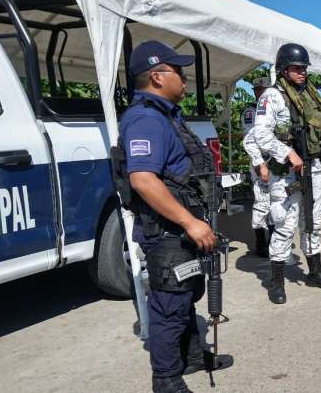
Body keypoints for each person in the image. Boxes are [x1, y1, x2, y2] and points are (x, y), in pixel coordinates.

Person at [118, 41, 231, 392]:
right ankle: (166, 379)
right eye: (178, 72)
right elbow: (143, 179)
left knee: (186, 296)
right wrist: (189, 222)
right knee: (170, 304)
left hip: (181, 228)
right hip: (167, 231)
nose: (184, 79)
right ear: (156, 76)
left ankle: (194, 357)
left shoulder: (166, 115)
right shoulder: (145, 119)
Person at [248, 43, 321, 304]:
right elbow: (261, 134)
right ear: (284, 69)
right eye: (297, 68)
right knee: (285, 225)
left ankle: (315, 272)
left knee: (313, 222)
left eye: (304, 68)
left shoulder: (310, 94)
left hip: (313, 167)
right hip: (286, 173)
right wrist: (286, 152)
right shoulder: (271, 96)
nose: (302, 72)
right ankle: (276, 282)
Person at [242, 76, 272, 257]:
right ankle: (261, 243)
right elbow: (250, 138)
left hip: (275, 163)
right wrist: (260, 163)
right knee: (262, 202)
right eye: (263, 90)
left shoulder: (271, 110)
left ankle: (274, 240)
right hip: (259, 162)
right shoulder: (251, 112)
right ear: (257, 91)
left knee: (276, 202)